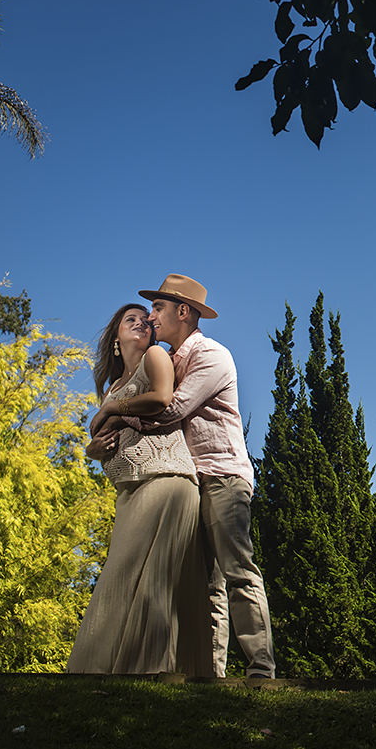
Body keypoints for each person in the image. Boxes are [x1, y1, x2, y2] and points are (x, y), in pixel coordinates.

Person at [94, 274, 275, 678]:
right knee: (207, 585)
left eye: (158, 308)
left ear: (182, 311)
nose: (152, 317)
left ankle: (261, 668)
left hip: (223, 474)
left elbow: (172, 411)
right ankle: (213, 673)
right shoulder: (168, 359)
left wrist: (114, 412)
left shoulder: (212, 355)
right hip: (191, 479)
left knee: (237, 569)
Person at [69, 304, 211, 676]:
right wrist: (93, 450)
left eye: (145, 319)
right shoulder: (113, 388)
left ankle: (144, 670)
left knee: (149, 582)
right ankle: (117, 670)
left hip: (165, 481)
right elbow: (107, 439)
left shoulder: (155, 357)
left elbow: (163, 398)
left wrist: (114, 408)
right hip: (130, 491)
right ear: (115, 338)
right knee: (126, 579)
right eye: (129, 319)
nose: (141, 323)